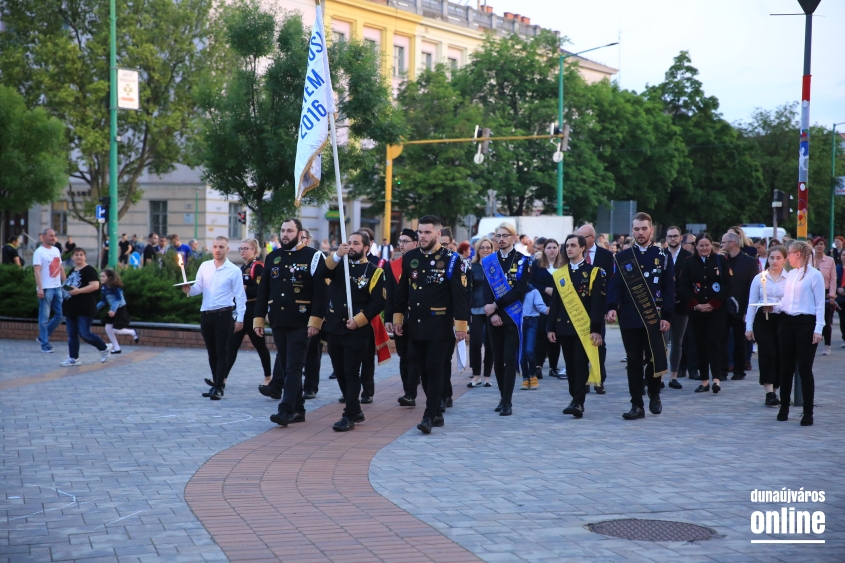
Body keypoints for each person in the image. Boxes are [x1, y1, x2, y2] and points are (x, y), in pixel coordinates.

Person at [393, 215, 469, 434]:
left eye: (427, 232)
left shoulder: (452, 259)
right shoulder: (410, 258)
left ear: (438, 233)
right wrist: (397, 319)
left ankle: (428, 415)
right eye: (420, 232)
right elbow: (402, 292)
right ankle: (436, 412)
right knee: (423, 372)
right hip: (415, 324)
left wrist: (461, 326)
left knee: (435, 370)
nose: (423, 236)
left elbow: (460, 295)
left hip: (439, 325)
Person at [254, 219, 327, 425]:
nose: (285, 234)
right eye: (283, 230)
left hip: (301, 321)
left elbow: (321, 292)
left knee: (294, 367)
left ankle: (285, 410)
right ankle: (299, 409)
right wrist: (258, 319)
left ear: (300, 233)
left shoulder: (313, 256)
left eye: (290, 231)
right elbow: (263, 290)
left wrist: (316, 320)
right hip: (278, 320)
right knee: (287, 367)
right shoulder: (273, 256)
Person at [606, 213, 674, 420]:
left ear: (651, 230)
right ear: (632, 231)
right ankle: (637, 404)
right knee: (634, 361)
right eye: (636, 229)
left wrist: (667, 315)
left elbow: (669, 288)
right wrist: (611, 307)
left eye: (644, 229)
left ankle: (654, 394)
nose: (640, 233)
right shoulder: (623, 257)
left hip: (654, 317)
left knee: (654, 358)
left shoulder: (663, 256)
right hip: (629, 317)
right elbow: (616, 285)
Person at [323, 232, 386, 431]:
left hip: (357, 329)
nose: (351, 247)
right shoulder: (339, 265)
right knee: (340, 371)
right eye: (349, 243)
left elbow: (378, 302)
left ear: (366, 248)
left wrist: (359, 320)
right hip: (335, 327)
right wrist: (336, 256)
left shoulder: (374, 271)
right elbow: (320, 274)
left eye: (356, 244)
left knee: (351, 373)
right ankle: (356, 409)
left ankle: (349, 415)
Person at [547, 234, 607, 417]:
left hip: (584, 328)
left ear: (583, 248)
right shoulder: (560, 274)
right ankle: (574, 397)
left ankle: (579, 402)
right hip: (564, 327)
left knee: (580, 363)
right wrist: (550, 327)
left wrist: (596, 330)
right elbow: (555, 303)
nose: (569, 249)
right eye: (567, 245)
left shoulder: (594, 272)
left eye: (573, 245)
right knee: (570, 366)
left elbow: (597, 303)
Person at [183, 236, 246, 400]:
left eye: (221, 247)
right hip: (206, 314)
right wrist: (188, 289)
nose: (218, 250)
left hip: (224, 315)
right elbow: (198, 288)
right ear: (212, 248)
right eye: (215, 247)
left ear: (227, 249)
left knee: (222, 350)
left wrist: (240, 318)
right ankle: (216, 384)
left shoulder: (234, 270)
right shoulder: (205, 266)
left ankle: (219, 386)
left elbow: (240, 297)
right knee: (212, 352)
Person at [482, 222, 530, 417]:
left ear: (513, 238)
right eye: (498, 236)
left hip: (512, 317)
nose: (500, 239)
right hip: (493, 318)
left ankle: (507, 401)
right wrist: (491, 313)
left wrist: (496, 307)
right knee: (498, 359)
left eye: (505, 235)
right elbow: (486, 289)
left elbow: (520, 290)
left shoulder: (523, 261)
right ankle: (502, 396)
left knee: (509, 359)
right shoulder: (489, 261)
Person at [777, 241, 825, 426]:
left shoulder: (815, 275)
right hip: (787, 322)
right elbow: (786, 301)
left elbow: (820, 303)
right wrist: (774, 306)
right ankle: (784, 408)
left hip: (806, 323)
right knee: (785, 368)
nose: (787, 256)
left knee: (804, 369)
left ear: (798, 254)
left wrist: (818, 329)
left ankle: (807, 412)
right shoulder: (790, 275)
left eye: (789, 253)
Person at [680, 234, 732, 394]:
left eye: (707, 245)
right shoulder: (689, 262)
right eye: (701, 245)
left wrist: (713, 304)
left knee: (714, 343)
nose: (704, 248)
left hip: (717, 311)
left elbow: (728, 285)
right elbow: (683, 286)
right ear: (696, 246)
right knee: (700, 345)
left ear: (712, 245)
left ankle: (716, 379)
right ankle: (704, 381)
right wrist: (695, 305)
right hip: (697, 312)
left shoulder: (721, 261)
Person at [220, 239, 272, 389]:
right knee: (232, 344)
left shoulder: (258, 266)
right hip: (242, 310)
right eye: (241, 248)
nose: (242, 251)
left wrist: (243, 289)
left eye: (246, 248)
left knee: (259, 345)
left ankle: (268, 377)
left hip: (254, 310)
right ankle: (221, 379)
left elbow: (260, 290)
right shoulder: (243, 267)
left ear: (254, 250)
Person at [745, 246, 787, 406]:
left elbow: (792, 302)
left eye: (778, 258)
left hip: (782, 319)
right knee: (767, 353)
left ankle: (776, 390)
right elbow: (751, 303)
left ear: (784, 260)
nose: (775, 261)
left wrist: (775, 306)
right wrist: (748, 327)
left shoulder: (789, 278)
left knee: (780, 354)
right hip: (763, 320)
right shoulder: (759, 278)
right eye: (772, 258)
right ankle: (769, 391)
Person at [385, 229, 422, 404]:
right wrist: (389, 318)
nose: (401, 244)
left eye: (405, 241)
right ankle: (408, 391)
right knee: (404, 355)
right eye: (400, 241)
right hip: (401, 317)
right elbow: (390, 295)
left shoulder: (422, 261)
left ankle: (413, 390)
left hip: (420, 316)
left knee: (415, 355)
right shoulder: (393, 265)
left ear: (415, 243)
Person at [577, 224, 614, 393]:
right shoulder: (574, 253)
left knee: (599, 343)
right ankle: (583, 379)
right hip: (577, 307)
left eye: (582, 237)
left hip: (598, 307)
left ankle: (599, 379)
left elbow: (611, 283)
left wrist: (609, 307)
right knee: (580, 345)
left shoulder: (606, 256)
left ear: (592, 237)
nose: (578, 241)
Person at [60, 248, 112, 366]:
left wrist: (79, 291)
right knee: (72, 334)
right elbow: (69, 285)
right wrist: (65, 288)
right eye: (76, 254)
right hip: (71, 308)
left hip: (85, 307)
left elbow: (95, 285)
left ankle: (104, 348)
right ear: (72, 257)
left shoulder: (89, 270)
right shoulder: (73, 270)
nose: (79, 256)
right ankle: (74, 358)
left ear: (85, 257)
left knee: (84, 333)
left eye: (81, 254)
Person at [719, 231, 758, 380]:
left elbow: (752, 287)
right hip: (722, 307)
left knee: (739, 340)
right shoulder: (721, 260)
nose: (721, 245)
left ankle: (739, 370)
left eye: (723, 242)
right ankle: (722, 371)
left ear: (732, 243)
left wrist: (749, 310)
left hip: (741, 307)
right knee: (721, 339)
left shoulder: (749, 262)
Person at [530, 238, 565, 380]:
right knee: (541, 336)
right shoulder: (537, 264)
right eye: (549, 247)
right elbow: (531, 283)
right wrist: (545, 289)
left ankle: (553, 367)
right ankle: (538, 365)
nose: (552, 250)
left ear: (558, 249)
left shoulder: (563, 265)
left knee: (555, 336)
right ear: (544, 250)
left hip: (558, 306)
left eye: (554, 247)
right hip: (541, 305)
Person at [665, 226, 692, 389]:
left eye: (675, 236)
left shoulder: (688, 257)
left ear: (680, 238)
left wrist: (681, 294)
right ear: (666, 238)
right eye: (670, 236)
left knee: (677, 341)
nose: (673, 239)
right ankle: (659, 376)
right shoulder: (660, 255)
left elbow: (689, 280)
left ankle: (673, 376)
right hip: (664, 305)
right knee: (662, 342)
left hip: (681, 304)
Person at [467, 237, 495, 388]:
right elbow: (468, 290)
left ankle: (487, 377)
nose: (485, 250)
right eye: (482, 247)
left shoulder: (495, 265)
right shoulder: (472, 267)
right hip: (476, 308)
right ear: (477, 250)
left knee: (490, 344)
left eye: (488, 247)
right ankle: (476, 375)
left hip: (492, 309)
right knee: (475, 343)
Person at [33, 228, 66, 353]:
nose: (53, 238)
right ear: (43, 237)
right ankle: (45, 345)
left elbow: (60, 268)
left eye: (54, 235)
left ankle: (43, 337)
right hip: (46, 288)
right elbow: (36, 271)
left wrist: (66, 285)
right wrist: (40, 288)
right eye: (50, 235)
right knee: (44, 318)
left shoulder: (56, 250)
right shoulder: (39, 252)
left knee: (61, 315)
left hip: (57, 287)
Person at [96, 269, 139, 353]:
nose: (101, 278)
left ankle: (132, 332)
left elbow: (118, 299)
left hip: (120, 309)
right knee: (108, 328)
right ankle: (117, 348)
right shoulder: (104, 287)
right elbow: (103, 301)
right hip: (113, 309)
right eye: (100, 276)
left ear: (110, 277)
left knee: (115, 329)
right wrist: (94, 309)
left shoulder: (115, 287)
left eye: (103, 276)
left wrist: (113, 310)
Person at [809, 237, 837, 356]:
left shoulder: (830, 260)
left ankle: (827, 344)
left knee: (826, 319)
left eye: (821, 244)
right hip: (811, 291)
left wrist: (831, 295)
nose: (819, 246)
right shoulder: (810, 259)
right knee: (811, 318)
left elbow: (833, 278)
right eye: (817, 244)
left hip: (825, 291)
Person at [519, 284, 548, 390]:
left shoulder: (533, 291)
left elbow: (540, 305)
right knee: (522, 354)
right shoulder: (515, 290)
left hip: (531, 321)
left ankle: (533, 376)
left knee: (530, 350)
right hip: (519, 323)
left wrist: (546, 310)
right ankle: (525, 378)